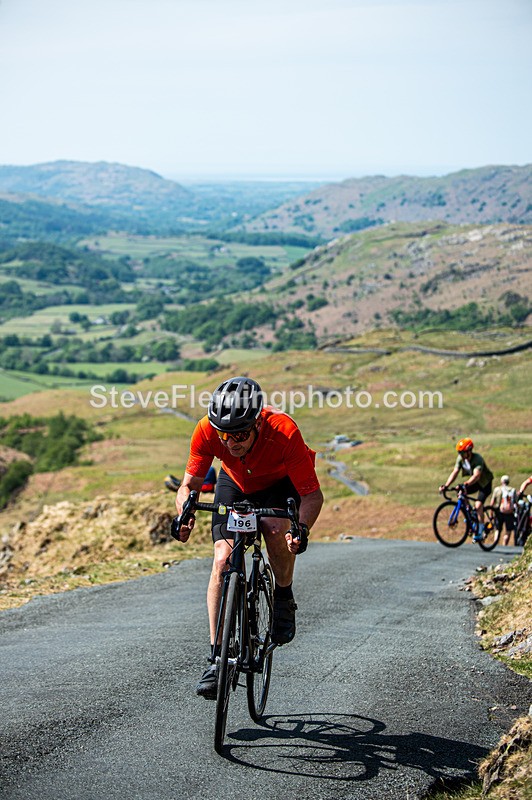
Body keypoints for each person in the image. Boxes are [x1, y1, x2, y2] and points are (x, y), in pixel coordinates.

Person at [174, 376, 323, 699]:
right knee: (222, 560)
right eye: (225, 435)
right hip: (235, 482)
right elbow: (189, 486)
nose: (231, 442)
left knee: (273, 528)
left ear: (257, 422)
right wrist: (184, 513)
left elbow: (312, 496)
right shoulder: (206, 430)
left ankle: (283, 596)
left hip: (278, 485)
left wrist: (301, 529)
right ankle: (217, 658)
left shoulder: (284, 432)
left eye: (240, 434)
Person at [439, 438, 494, 543]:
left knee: (478, 505)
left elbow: (477, 476)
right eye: (459, 453)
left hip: (484, 483)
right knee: (461, 492)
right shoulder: (461, 459)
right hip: (474, 483)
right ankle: (470, 514)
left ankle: (481, 530)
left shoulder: (477, 459)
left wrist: (466, 484)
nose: (460, 455)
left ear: (469, 451)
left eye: (462, 452)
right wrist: (446, 485)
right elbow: (455, 472)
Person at [490, 475, 516, 546]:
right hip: (509, 513)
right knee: (508, 530)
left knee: (497, 529)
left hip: (499, 512)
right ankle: (504, 545)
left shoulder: (497, 489)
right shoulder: (512, 490)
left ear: (501, 481)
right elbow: (515, 503)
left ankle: (495, 544)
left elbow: (492, 503)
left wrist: (491, 514)